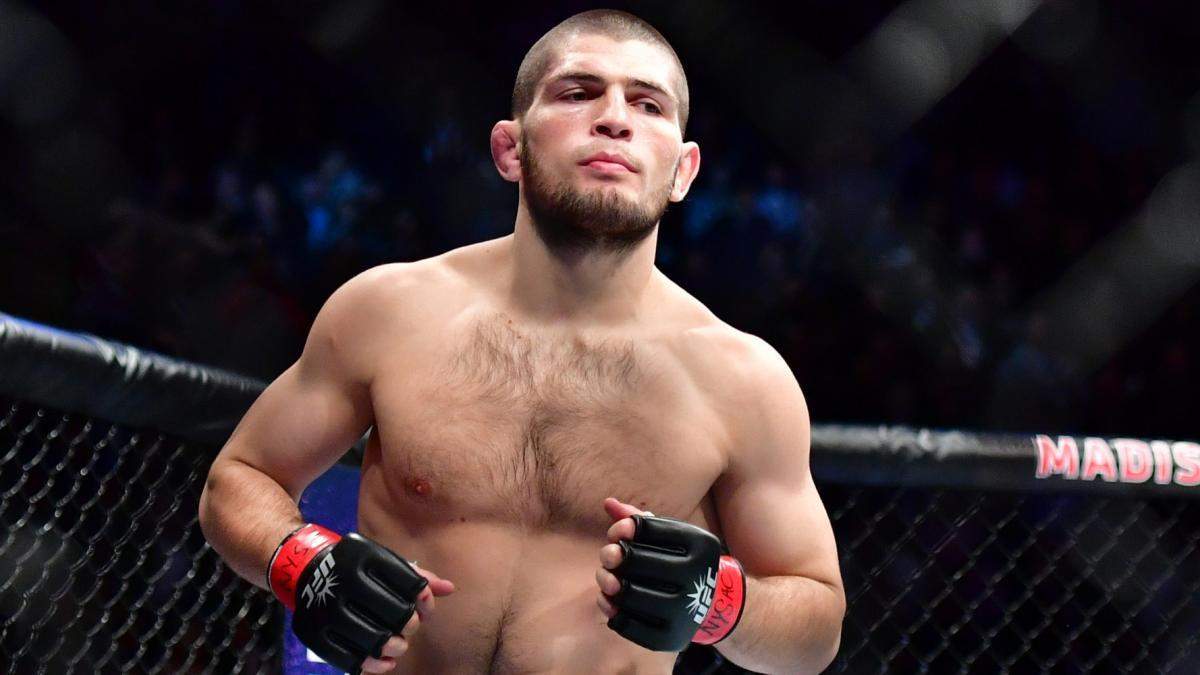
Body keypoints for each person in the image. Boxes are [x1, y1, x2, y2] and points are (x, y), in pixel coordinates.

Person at [199, 9, 844, 674]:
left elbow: (816, 624)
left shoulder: (743, 379)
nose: (614, 118)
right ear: (510, 149)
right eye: (578, 93)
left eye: (648, 104)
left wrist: (722, 603)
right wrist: (303, 563)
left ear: (683, 171)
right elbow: (239, 479)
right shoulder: (388, 312)